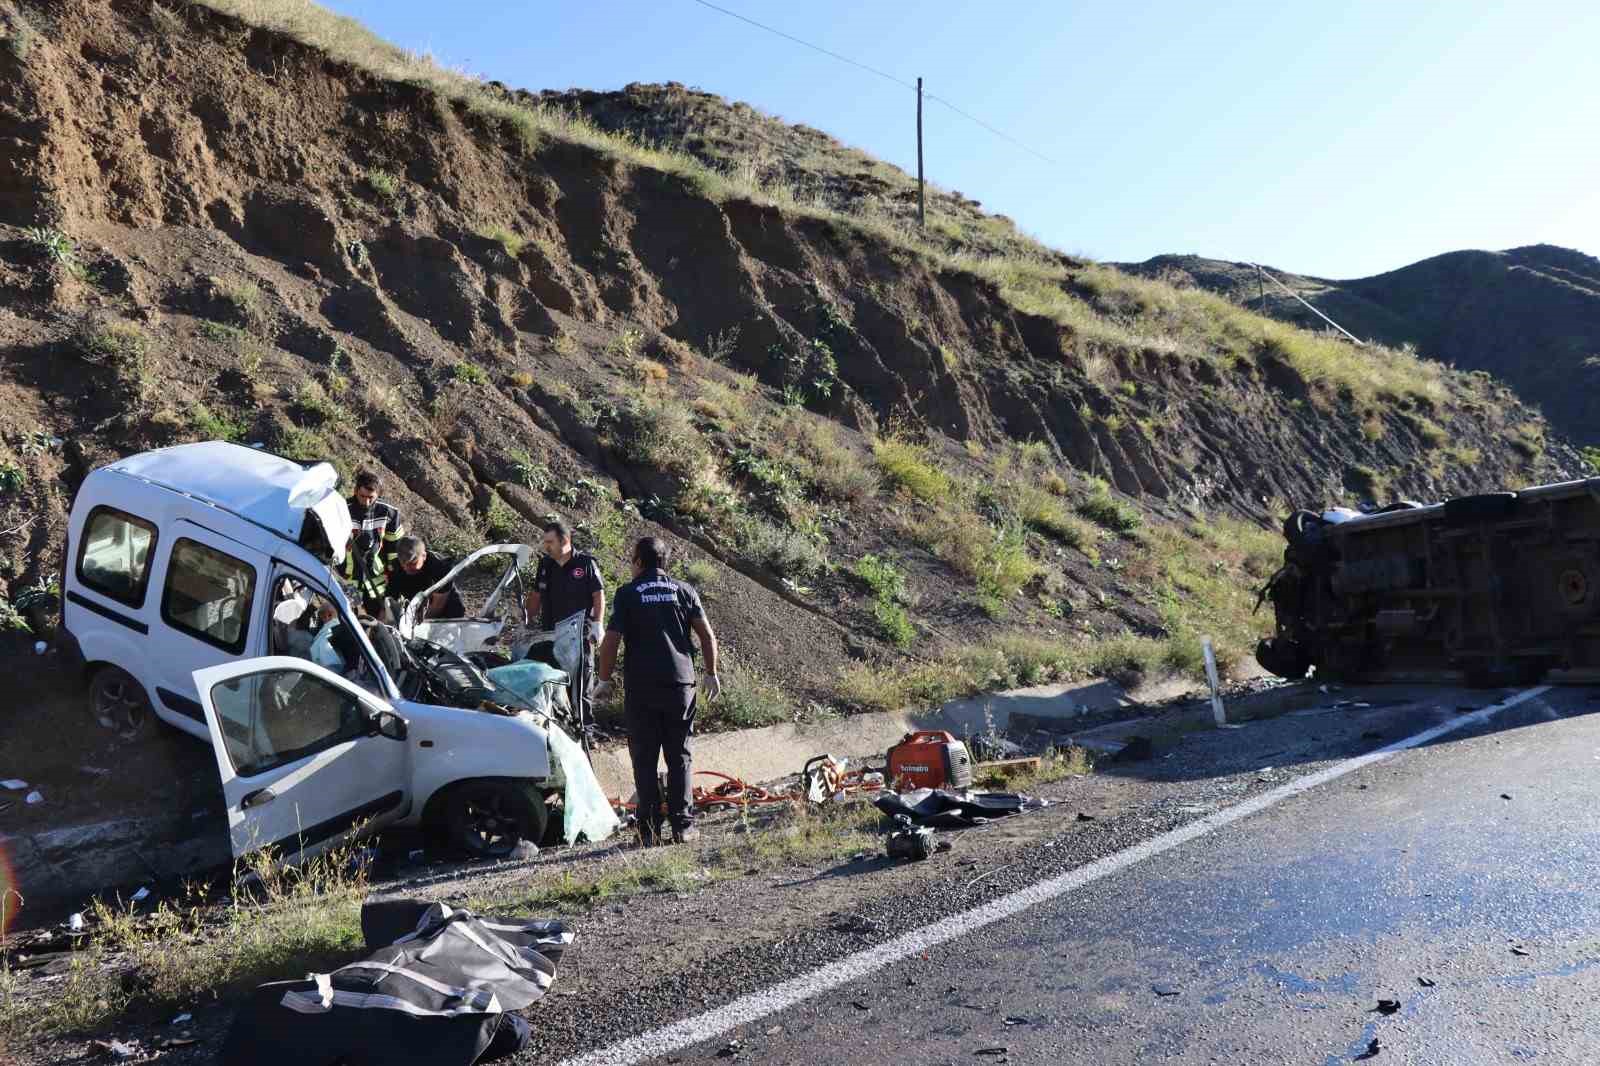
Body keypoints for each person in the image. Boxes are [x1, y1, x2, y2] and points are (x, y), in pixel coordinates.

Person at [594, 536, 720, 846]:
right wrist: (711, 673)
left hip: (642, 689)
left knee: (644, 759)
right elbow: (707, 636)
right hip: (680, 686)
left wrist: (604, 679)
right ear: (664, 562)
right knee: (680, 756)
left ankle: (648, 832)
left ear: (638, 562)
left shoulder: (628, 593)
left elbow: (611, 640)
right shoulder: (684, 591)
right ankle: (683, 827)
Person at [525, 519, 604, 718]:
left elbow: (598, 594)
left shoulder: (585, 563)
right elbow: (536, 596)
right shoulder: (545, 564)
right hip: (550, 636)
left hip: (579, 637)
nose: (546, 546)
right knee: (553, 685)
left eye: (550, 542)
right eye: (545, 542)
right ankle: (560, 727)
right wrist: (526, 622)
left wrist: (598, 623)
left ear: (565, 541)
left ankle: (585, 729)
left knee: (580, 687)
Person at [343, 470, 404, 616]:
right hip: (348, 579)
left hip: (377, 579)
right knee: (348, 617)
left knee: (379, 617)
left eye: (371, 497)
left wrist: (393, 575)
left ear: (379, 494)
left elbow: (395, 549)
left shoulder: (389, 512)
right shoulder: (342, 510)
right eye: (362, 496)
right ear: (355, 491)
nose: (366, 502)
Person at [386, 535, 465, 619]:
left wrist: (415, 623)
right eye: (403, 563)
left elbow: (437, 607)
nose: (406, 568)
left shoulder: (440, 567)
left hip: (448, 611)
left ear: (424, 556)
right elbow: (389, 602)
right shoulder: (395, 568)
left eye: (412, 563)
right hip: (417, 606)